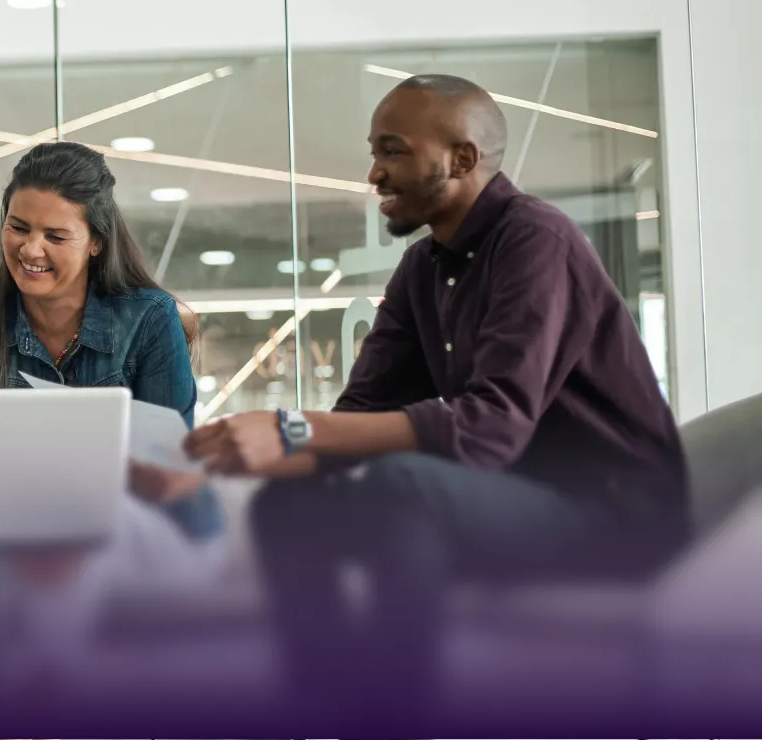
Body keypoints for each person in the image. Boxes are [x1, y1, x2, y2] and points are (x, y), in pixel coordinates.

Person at [186, 75, 691, 719]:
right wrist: (215, 467)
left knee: (405, 486)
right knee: (289, 506)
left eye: (393, 151)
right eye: (375, 150)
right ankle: (330, 710)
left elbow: (490, 428)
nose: (373, 173)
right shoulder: (424, 268)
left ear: (461, 160)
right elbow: (358, 420)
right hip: (506, 496)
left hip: (615, 513)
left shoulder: (537, 239)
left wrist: (292, 431)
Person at [0, 141, 219, 538]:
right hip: (15, 536)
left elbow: (169, 468)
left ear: (96, 243)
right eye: (18, 227)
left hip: (135, 533)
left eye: (55, 236)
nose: (30, 248)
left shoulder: (149, 319)